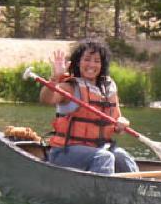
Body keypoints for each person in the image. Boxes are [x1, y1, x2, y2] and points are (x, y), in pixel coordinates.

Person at [39, 39, 138, 174]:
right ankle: (100, 187)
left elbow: (117, 122)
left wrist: (123, 123)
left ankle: (140, 186)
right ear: (78, 62)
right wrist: (55, 78)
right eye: (87, 59)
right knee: (104, 157)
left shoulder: (107, 89)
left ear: (102, 65)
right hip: (64, 152)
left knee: (122, 157)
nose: (91, 64)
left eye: (97, 61)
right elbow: (46, 99)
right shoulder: (70, 87)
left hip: (98, 149)